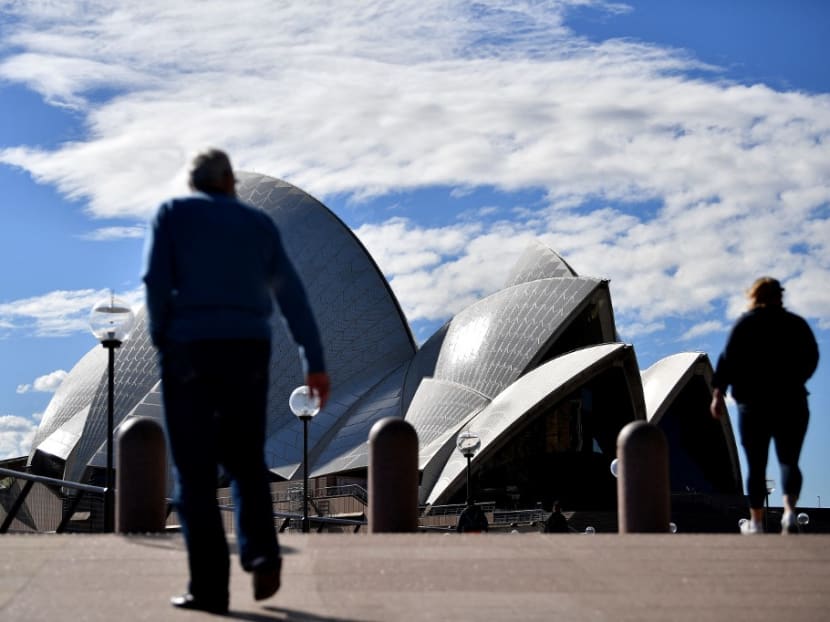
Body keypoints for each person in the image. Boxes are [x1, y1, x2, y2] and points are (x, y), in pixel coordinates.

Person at [143, 148, 330, 614]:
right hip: (248, 348)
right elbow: (293, 297)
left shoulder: (173, 214)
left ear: (194, 184)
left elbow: (155, 281)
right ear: (229, 181)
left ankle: (209, 588)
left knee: (194, 472)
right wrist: (315, 361)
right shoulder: (259, 224)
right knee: (246, 460)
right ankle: (263, 554)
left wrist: (163, 338)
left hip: (189, 348)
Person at [710, 277, 818, 535]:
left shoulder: (745, 324)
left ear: (755, 295)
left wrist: (718, 394)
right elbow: (812, 356)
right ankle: (790, 513)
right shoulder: (796, 324)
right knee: (789, 461)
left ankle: (756, 522)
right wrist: (796, 380)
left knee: (756, 465)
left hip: (753, 404)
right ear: (779, 296)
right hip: (792, 401)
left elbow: (727, 359)